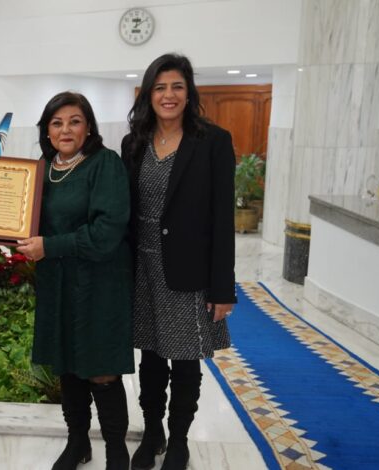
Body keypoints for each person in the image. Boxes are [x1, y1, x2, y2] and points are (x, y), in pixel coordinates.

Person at [120, 53, 237, 470]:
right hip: (142, 269)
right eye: (160, 87)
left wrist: (223, 288)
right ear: (148, 94)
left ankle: (180, 441)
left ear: (189, 93)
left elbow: (223, 219)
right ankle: (152, 433)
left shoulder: (213, 141)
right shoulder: (134, 142)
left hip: (188, 271)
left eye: (177, 87)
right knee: (150, 360)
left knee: (185, 362)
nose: (168, 95)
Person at [17, 91, 133, 470]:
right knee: (66, 365)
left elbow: (107, 232)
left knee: (101, 368)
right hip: (58, 284)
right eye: (57, 123)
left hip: (99, 285)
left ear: (89, 128)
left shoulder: (105, 164)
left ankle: (116, 450)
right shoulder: (42, 168)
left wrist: (48, 246)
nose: (65, 130)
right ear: (46, 131)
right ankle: (77, 442)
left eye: (74, 121)